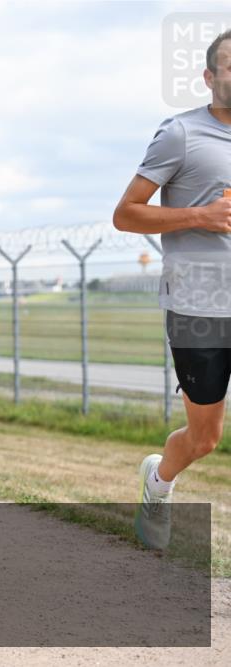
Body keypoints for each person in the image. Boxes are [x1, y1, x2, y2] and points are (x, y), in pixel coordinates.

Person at [113, 29, 231, 550]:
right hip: (199, 307)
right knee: (205, 439)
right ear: (209, 77)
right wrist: (200, 216)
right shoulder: (182, 133)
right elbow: (126, 214)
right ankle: (158, 483)